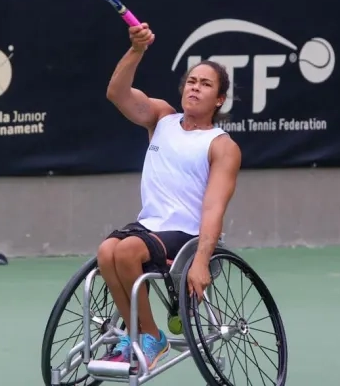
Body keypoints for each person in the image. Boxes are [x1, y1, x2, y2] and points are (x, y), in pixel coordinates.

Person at [97, 23, 242, 371]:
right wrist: (136, 50)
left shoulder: (222, 146)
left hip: (187, 235)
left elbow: (213, 206)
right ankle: (136, 335)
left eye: (205, 84)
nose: (195, 87)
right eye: (192, 81)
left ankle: (152, 337)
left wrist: (203, 260)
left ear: (219, 99)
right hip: (149, 225)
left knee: (128, 250)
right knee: (106, 251)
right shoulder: (161, 117)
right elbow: (117, 93)